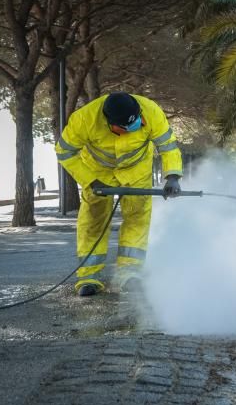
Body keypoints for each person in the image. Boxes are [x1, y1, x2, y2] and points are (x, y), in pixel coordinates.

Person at [55, 92, 182, 296]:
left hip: (136, 170)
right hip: (98, 172)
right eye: (128, 127)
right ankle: (89, 277)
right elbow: (64, 152)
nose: (137, 126)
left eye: (138, 121)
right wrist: (90, 180)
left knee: (137, 219)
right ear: (111, 124)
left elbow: (168, 147)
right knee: (93, 221)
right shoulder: (84, 119)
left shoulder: (150, 111)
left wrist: (173, 176)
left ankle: (130, 273)